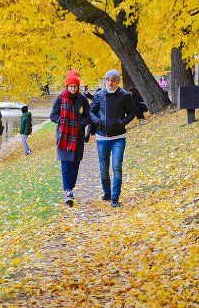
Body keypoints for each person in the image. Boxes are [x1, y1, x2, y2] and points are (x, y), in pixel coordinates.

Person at [89, 69, 136, 208]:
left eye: (113, 79)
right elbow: (91, 111)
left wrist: (121, 123)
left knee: (116, 167)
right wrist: (97, 121)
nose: (110, 82)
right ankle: (107, 193)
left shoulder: (125, 96)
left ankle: (115, 198)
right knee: (104, 169)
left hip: (118, 138)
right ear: (105, 80)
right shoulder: (99, 95)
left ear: (118, 81)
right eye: (108, 79)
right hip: (102, 137)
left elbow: (132, 113)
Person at [50, 70, 90, 207]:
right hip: (64, 136)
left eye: (75, 86)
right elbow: (53, 115)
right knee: (66, 165)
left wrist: (82, 123)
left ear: (78, 87)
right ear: (66, 86)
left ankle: (70, 187)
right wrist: (62, 121)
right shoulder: (60, 98)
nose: (72, 88)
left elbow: (88, 115)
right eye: (70, 86)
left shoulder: (82, 99)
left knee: (75, 164)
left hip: (77, 136)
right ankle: (67, 191)